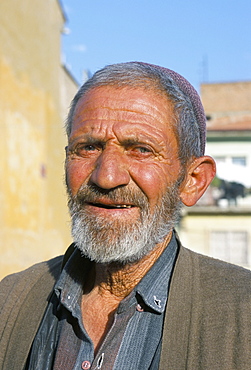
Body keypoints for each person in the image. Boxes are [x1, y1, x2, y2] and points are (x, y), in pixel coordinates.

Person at [1, 62, 251, 370]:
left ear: (193, 180)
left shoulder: (242, 315)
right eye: (88, 147)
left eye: (141, 150)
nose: (106, 177)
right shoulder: (10, 301)